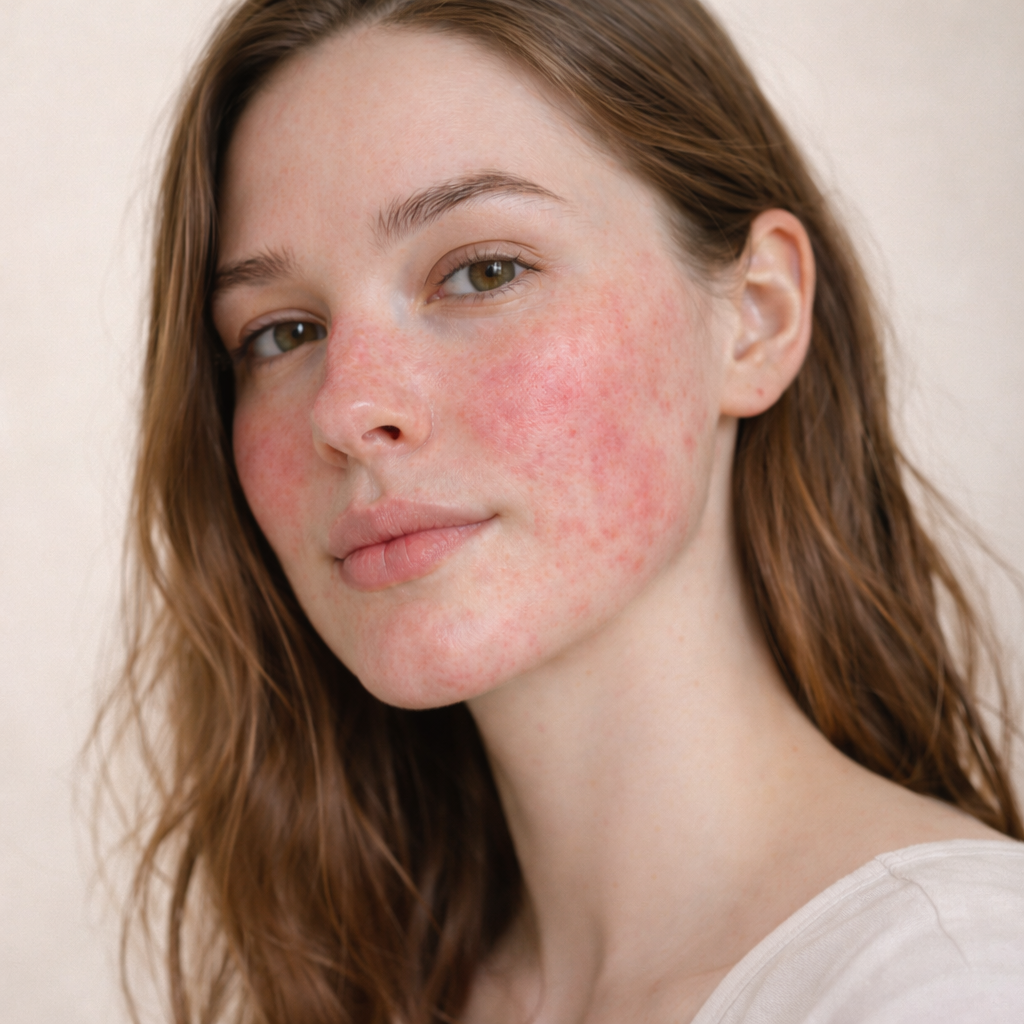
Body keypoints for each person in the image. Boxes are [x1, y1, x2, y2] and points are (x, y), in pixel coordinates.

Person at [99, 0, 1024, 1021]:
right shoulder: (382, 988)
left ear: (756, 315)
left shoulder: (955, 982)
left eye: (482, 272)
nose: (347, 409)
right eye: (281, 333)